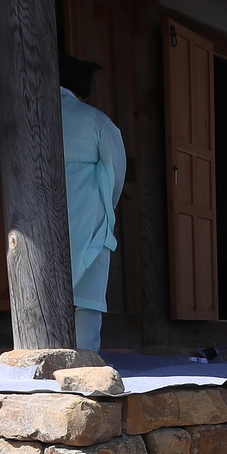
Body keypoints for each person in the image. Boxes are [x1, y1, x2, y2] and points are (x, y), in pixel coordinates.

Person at [60, 53, 127, 355]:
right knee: (85, 299)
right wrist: (107, 211)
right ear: (83, 94)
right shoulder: (97, 120)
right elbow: (116, 173)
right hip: (88, 217)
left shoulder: (31, 116)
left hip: (41, 224)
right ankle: (85, 364)